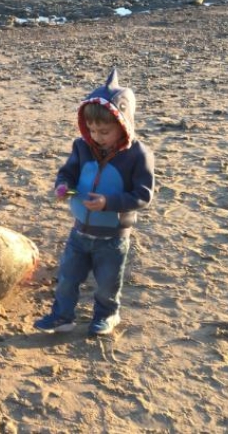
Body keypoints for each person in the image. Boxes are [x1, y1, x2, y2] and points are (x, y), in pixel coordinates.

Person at [34, 68, 155, 336]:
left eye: (104, 131)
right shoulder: (82, 147)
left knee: (107, 283)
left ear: (124, 124)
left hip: (113, 237)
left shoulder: (138, 155)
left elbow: (143, 195)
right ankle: (62, 316)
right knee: (67, 278)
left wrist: (108, 202)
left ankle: (107, 315)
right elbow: (68, 173)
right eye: (92, 129)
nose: (97, 136)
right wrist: (63, 187)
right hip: (80, 231)